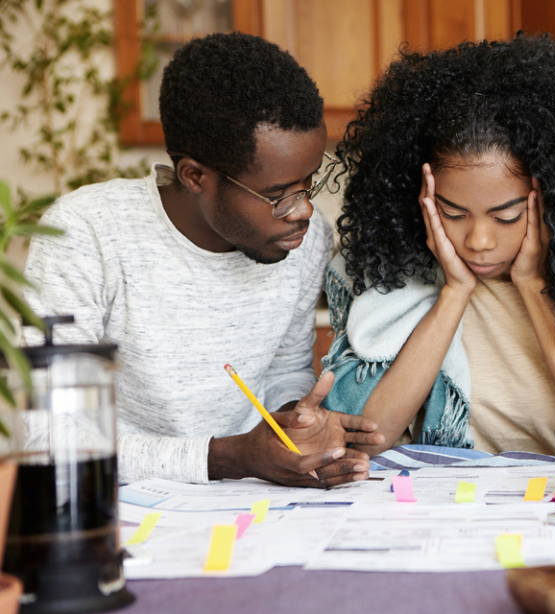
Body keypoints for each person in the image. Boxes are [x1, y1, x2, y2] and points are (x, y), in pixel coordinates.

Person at [22, 32, 383, 487]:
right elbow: (48, 434)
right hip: (113, 513)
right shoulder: (86, 233)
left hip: (245, 509)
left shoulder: (304, 242)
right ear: (195, 176)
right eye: (276, 195)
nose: (304, 209)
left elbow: (283, 372)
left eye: (308, 182)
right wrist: (228, 458)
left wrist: (296, 422)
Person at [320, 34, 555, 461]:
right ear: (424, 195)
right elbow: (372, 436)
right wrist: (454, 293)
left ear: (554, 197)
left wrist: (533, 286)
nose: (478, 241)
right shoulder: (407, 272)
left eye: (507, 216)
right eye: (453, 214)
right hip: (456, 503)